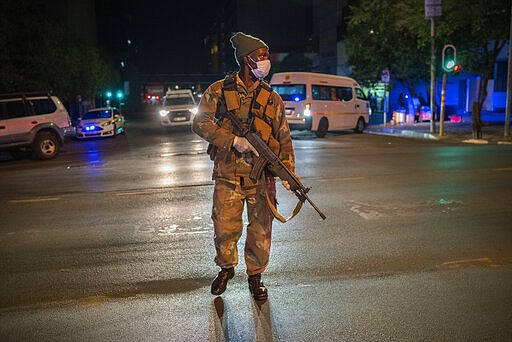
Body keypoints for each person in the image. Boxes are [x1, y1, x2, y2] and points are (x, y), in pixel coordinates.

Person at [192, 32, 295, 301]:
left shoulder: (272, 99)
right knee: (225, 227)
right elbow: (200, 122)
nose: (266, 61)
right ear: (246, 59)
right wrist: (232, 140)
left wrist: (288, 175)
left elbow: (283, 138)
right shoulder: (218, 91)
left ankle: (256, 277)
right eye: (261, 56)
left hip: (262, 178)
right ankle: (226, 269)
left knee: (261, 228)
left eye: (267, 56)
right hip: (228, 174)